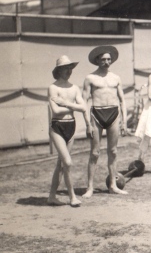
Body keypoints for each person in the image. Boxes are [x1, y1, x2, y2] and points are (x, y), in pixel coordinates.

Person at [82, 45, 128, 197]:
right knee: (95, 153)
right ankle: (89, 188)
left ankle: (113, 186)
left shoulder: (116, 78)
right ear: (97, 61)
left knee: (113, 151)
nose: (106, 62)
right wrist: (87, 123)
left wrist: (125, 121)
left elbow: (122, 100)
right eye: (103, 59)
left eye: (109, 59)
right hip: (97, 114)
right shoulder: (90, 78)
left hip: (113, 114)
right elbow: (84, 101)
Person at [47, 55, 90, 207]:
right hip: (57, 127)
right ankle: (72, 196)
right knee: (67, 162)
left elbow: (83, 107)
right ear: (59, 70)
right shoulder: (53, 87)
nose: (69, 71)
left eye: (70, 68)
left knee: (61, 165)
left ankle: (52, 196)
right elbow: (55, 110)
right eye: (66, 68)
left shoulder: (74, 88)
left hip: (71, 126)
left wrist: (65, 103)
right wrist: (73, 106)